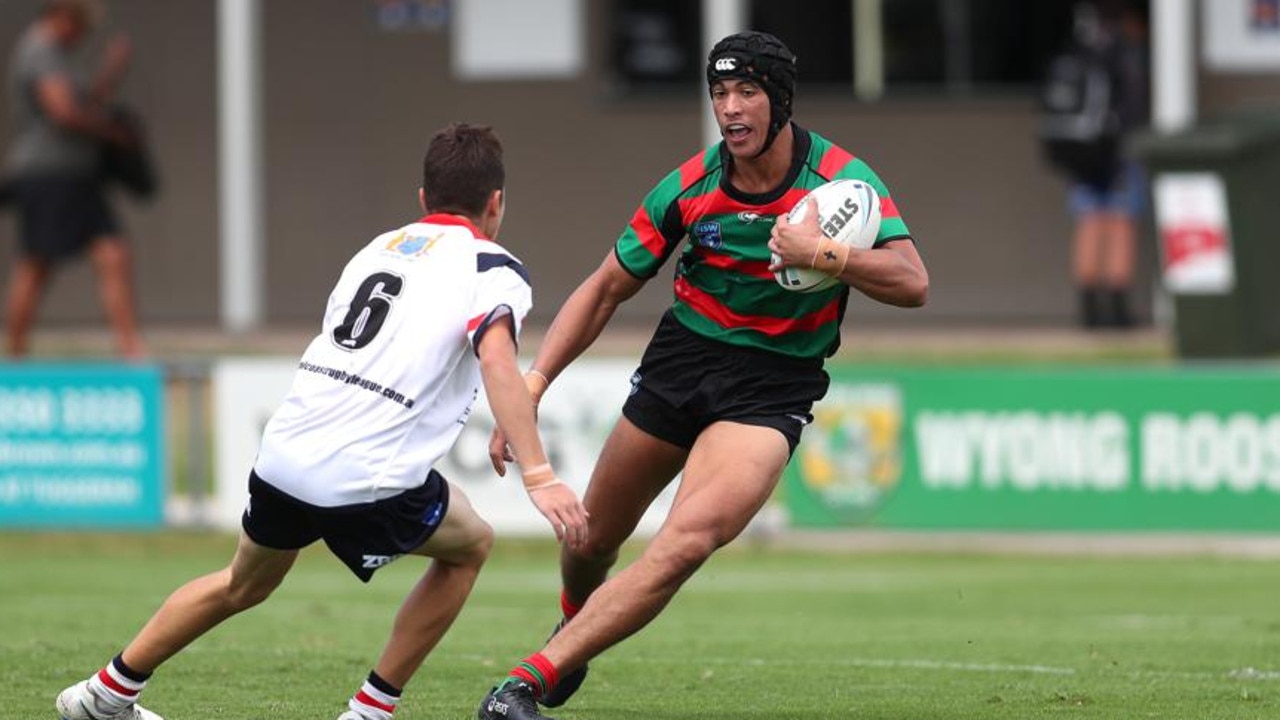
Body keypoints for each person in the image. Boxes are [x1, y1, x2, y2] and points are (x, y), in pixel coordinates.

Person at [53, 123, 589, 720]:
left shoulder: (378, 249)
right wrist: (540, 475)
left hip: (283, 453)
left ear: (422, 198)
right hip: (364, 476)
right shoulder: (496, 268)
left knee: (242, 583)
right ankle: (369, 710)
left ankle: (105, 693)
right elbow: (497, 360)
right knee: (471, 546)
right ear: (496, 203)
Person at [475, 31, 928, 720]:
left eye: (747, 91)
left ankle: (524, 684)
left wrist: (825, 252)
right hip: (683, 360)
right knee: (591, 541)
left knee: (685, 542)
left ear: (778, 100)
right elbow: (603, 289)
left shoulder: (842, 183)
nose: (732, 108)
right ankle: (574, 622)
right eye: (720, 93)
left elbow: (912, 281)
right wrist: (534, 385)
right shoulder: (690, 187)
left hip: (773, 384)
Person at [3, 0, 145, 358]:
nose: (82, 37)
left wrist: (111, 72)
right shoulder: (40, 50)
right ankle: (15, 355)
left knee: (113, 254)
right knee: (37, 264)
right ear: (63, 18)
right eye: (80, 28)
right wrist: (113, 134)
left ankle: (131, 351)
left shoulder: (57, 56)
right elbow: (63, 113)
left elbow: (82, 103)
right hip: (49, 175)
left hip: (79, 177)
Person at [1065, 0, 1150, 329]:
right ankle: (1115, 310)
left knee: (1090, 221)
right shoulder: (1124, 42)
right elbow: (1133, 98)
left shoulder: (1085, 37)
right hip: (1117, 149)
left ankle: (1089, 309)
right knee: (1119, 223)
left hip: (1084, 150)